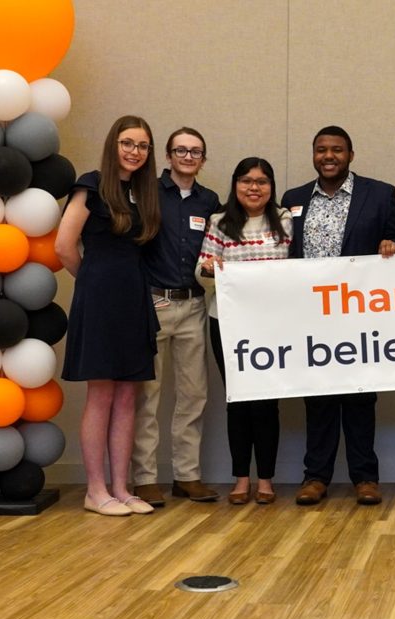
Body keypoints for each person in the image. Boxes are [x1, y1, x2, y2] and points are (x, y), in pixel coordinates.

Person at [281, 125, 395, 506]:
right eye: (321, 149)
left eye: (337, 149)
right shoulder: (293, 199)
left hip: (359, 314)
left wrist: (392, 245)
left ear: (351, 155)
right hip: (311, 315)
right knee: (317, 397)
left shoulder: (380, 194)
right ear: (314, 154)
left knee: (359, 396)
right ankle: (315, 476)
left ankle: (365, 478)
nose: (329, 156)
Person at [55, 115, 162, 517]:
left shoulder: (143, 193)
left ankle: (122, 487)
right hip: (99, 300)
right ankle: (95, 490)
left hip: (134, 300)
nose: (135, 152)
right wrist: (93, 284)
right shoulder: (90, 185)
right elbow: (64, 246)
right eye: (128, 143)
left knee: (127, 395)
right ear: (113, 144)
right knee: (101, 394)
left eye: (143, 146)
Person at [132, 127, 221, 506]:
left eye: (195, 151)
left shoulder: (210, 200)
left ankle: (187, 475)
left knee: (194, 395)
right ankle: (145, 478)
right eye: (180, 150)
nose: (188, 157)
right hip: (154, 303)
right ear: (167, 156)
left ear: (203, 159)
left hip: (194, 305)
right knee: (147, 396)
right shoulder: (145, 192)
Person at [197, 158, 292, 505]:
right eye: (247, 181)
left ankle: (265, 480)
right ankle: (240, 479)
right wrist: (210, 269)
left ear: (271, 187)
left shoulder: (284, 219)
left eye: (262, 181)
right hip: (227, 321)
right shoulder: (219, 221)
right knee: (237, 401)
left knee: (267, 401)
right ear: (235, 184)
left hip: (271, 323)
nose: (254, 188)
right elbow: (201, 271)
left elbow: (290, 268)